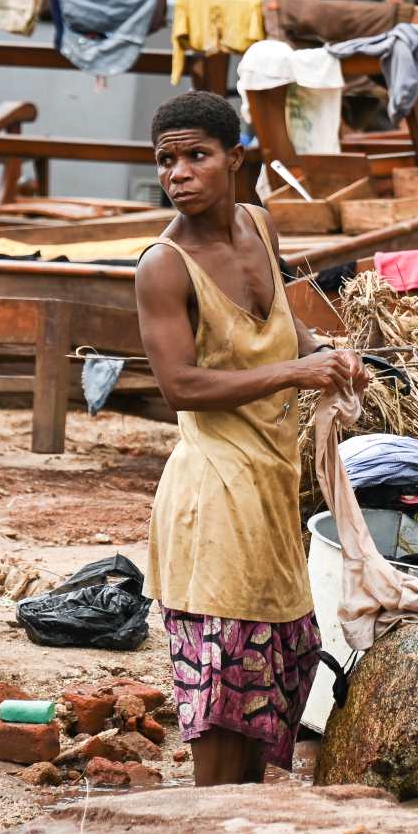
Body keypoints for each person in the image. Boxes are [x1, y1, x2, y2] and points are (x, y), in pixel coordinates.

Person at [134, 90, 366, 786]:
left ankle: (243, 826)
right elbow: (180, 385)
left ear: (235, 158)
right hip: (211, 497)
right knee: (221, 696)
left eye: (196, 156)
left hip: (267, 490)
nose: (178, 174)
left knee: (271, 690)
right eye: (165, 161)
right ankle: (212, 828)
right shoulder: (164, 267)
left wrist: (327, 353)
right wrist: (297, 370)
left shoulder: (258, 226)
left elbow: (283, 332)